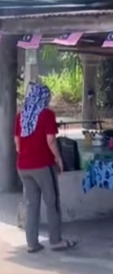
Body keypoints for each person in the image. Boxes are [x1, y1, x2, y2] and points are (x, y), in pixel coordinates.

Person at [14, 82, 77, 254]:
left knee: (31, 205)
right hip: (42, 165)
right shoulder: (47, 115)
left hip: (23, 166)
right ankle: (56, 241)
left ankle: (32, 243)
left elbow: (18, 145)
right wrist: (58, 159)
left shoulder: (21, 116)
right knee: (52, 202)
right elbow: (51, 141)